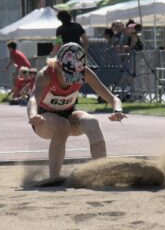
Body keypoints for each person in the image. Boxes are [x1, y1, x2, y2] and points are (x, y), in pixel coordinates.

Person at [27, 42, 127, 180]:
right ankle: (54, 177)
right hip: (43, 119)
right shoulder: (45, 74)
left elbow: (113, 98)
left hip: (68, 114)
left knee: (92, 122)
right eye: (68, 74)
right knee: (62, 125)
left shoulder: (85, 72)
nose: (71, 81)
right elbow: (33, 98)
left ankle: (102, 171)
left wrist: (118, 110)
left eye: (76, 74)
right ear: (58, 65)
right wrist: (33, 115)